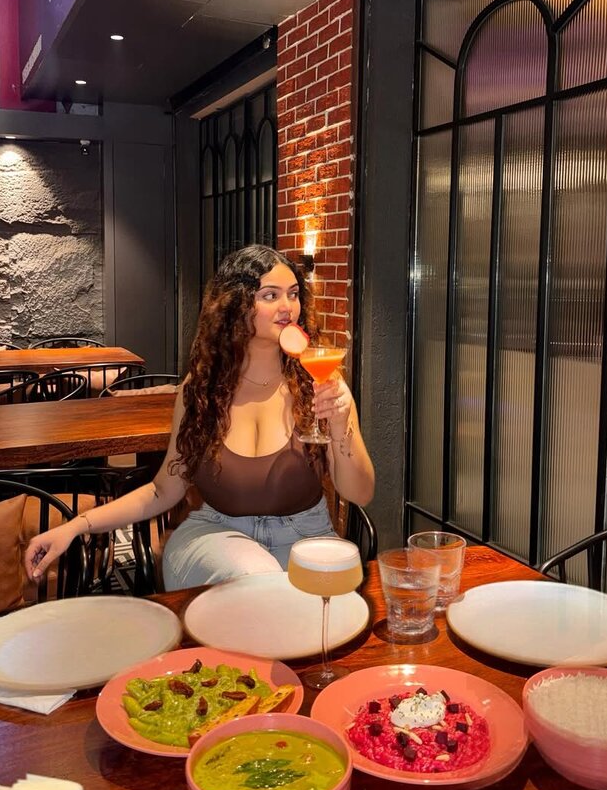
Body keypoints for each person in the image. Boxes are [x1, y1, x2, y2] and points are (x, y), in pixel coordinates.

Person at [24, 245, 375, 589]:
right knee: (260, 581)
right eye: (270, 295)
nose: (288, 307)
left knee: (295, 607)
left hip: (305, 537)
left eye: (294, 294)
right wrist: (77, 525)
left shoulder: (320, 383)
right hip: (217, 536)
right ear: (235, 304)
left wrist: (341, 426)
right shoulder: (203, 388)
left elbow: (360, 493)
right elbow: (163, 490)